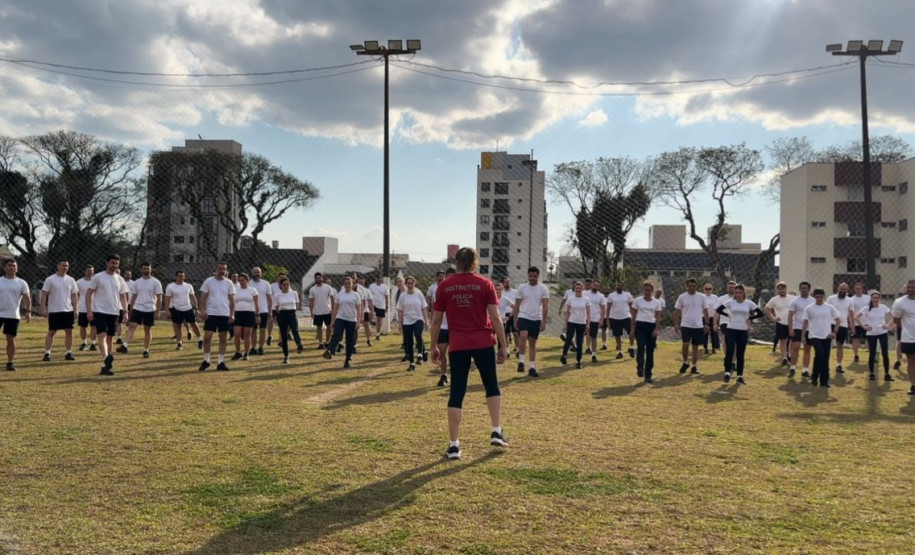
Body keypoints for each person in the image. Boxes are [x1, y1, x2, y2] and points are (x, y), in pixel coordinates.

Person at [430, 247, 508, 460]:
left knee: (457, 391)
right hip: (483, 342)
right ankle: (496, 430)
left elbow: (436, 320)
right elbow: (495, 316)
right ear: (475, 262)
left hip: (458, 344)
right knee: (491, 385)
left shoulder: (445, 285)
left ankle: (454, 445)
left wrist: (433, 346)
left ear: (456, 262)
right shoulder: (485, 283)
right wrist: (503, 345)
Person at [85, 254, 129, 376]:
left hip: (114, 311)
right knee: (102, 335)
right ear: (107, 263)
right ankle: (106, 358)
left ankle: (107, 365)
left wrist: (126, 312)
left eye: (117, 263)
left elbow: (123, 297)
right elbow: (88, 294)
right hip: (100, 311)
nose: (114, 265)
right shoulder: (98, 277)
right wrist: (89, 311)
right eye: (112, 263)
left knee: (110, 337)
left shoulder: (120, 279)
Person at [716, 284, 764, 384]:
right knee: (729, 352)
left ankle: (740, 376)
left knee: (740, 354)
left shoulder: (748, 303)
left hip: (742, 330)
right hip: (731, 329)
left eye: (740, 293)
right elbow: (718, 309)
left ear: (743, 293)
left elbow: (760, 313)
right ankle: (727, 373)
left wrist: (750, 318)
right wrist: (726, 314)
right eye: (736, 293)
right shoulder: (730, 302)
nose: (738, 294)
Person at [118, 262, 163, 358]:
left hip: (150, 309)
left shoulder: (156, 282)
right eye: (144, 269)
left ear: (151, 269)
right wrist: (130, 311)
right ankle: (124, 346)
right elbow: (133, 297)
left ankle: (146, 350)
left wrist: (157, 311)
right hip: (137, 308)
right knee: (132, 326)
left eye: (147, 268)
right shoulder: (137, 282)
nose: (146, 270)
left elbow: (159, 298)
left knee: (147, 330)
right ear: (141, 270)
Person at [511, 266, 550, 377]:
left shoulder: (543, 289)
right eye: (531, 276)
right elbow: (517, 304)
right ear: (528, 276)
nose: (532, 278)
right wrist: (515, 319)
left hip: (536, 318)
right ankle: (521, 362)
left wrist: (544, 322)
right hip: (523, 316)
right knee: (523, 336)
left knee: (532, 343)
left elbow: (545, 306)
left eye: (535, 276)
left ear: (538, 276)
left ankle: (532, 368)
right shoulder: (522, 287)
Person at [198, 262, 236, 372]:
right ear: (216, 269)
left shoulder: (229, 283)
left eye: (224, 269)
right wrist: (203, 310)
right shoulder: (208, 281)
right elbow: (203, 297)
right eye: (220, 269)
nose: (222, 271)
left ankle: (220, 362)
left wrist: (232, 314)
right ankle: (206, 360)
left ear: (226, 270)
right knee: (207, 337)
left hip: (224, 314)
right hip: (211, 313)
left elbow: (232, 300)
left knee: (223, 338)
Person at [40, 260, 79, 362]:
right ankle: (47, 353)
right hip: (54, 310)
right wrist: (43, 307)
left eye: (67, 266)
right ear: (58, 266)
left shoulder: (71, 280)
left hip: (68, 310)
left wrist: (76, 309)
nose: (65, 267)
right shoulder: (50, 279)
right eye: (63, 265)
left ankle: (68, 352)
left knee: (69, 332)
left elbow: (74, 295)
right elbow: (44, 294)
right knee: (51, 332)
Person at [802, 288, 841, 388]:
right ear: (814, 297)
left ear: (824, 296)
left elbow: (838, 319)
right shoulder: (809, 308)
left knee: (825, 357)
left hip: (827, 335)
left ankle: (823, 380)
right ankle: (815, 377)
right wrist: (803, 336)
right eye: (817, 297)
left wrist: (834, 331)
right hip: (814, 335)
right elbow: (805, 322)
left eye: (821, 297)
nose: (819, 298)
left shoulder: (830, 307)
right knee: (820, 354)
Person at [0, 259, 31, 371]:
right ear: (4, 268)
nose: (12, 267)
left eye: (14, 266)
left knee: (10, 338)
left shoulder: (22, 283)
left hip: (13, 315)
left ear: (17, 268)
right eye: (9, 265)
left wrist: (28, 311)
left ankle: (10, 362)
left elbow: (27, 298)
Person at [856, 290, 894, 382]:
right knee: (872, 353)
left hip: (882, 332)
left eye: (877, 298)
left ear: (880, 299)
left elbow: (893, 316)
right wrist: (864, 326)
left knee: (885, 353)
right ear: (871, 299)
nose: (875, 299)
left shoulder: (883, 307)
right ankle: (872, 373)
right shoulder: (866, 308)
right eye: (874, 298)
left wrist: (888, 325)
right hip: (871, 333)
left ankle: (887, 374)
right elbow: (856, 317)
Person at [323, 276, 360, 369]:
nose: (347, 285)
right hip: (341, 317)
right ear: (343, 285)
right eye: (346, 283)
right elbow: (335, 309)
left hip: (351, 319)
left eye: (349, 283)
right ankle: (329, 350)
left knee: (350, 340)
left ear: (352, 285)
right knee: (337, 334)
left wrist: (358, 321)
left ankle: (347, 360)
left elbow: (359, 309)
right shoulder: (339, 294)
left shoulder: (356, 295)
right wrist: (332, 321)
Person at [673, 278, 708, 375]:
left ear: (696, 286)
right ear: (687, 286)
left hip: (698, 325)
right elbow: (677, 311)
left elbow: (705, 311)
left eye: (693, 286)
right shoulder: (682, 297)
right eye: (690, 286)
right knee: (685, 343)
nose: (691, 288)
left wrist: (706, 323)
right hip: (686, 324)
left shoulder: (701, 297)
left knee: (695, 346)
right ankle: (685, 362)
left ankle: (694, 366)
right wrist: (676, 324)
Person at [630, 281, 662, 383]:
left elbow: (658, 317)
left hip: (651, 326)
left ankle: (648, 374)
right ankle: (640, 367)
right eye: (645, 290)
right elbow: (633, 314)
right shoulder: (638, 300)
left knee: (650, 351)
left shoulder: (656, 302)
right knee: (641, 347)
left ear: (652, 291)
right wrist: (633, 328)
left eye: (649, 290)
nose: (647, 292)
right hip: (640, 326)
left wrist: (656, 329)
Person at [396, 275, 428, 372]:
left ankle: (420, 353)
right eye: (408, 283)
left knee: (418, 334)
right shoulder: (403, 296)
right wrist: (400, 323)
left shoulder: (419, 294)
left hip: (418, 318)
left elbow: (423, 308)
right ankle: (412, 363)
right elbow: (400, 310)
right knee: (408, 341)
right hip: (407, 320)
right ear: (406, 284)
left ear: (414, 283)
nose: (410, 285)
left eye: (411, 283)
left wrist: (426, 321)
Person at [164, 270, 201, 351]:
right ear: (176, 277)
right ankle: (179, 343)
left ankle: (200, 340)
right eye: (180, 276)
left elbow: (193, 297)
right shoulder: (170, 286)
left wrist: (196, 308)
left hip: (188, 308)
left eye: (183, 276)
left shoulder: (188, 286)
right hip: (176, 309)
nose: (182, 278)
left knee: (194, 324)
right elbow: (167, 299)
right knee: (178, 326)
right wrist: (167, 310)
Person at [559, 281, 590, 369]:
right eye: (576, 288)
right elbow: (567, 312)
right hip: (572, 321)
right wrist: (565, 324)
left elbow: (588, 313)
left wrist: (588, 324)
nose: (578, 290)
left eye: (580, 288)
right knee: (568, 339)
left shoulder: (586, 299)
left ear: (582, 289)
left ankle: (579, 361)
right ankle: (564, 356)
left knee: (579, 343)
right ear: (574, 289)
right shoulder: (571, 299)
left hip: (581, 323)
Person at [892, 280, 915, 395]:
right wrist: (905, 328)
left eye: (913, 287)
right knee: (911, 360)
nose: (910, 289)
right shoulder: (899, 302)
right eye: (908, 287)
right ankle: (913, 385)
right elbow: (896, 319)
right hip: (908, 337)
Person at [787, 281, 815, 378]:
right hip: (797, 327)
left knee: (807, 349)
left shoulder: (813, 301)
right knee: (796, 347)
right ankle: (792, 368)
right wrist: (791, 329)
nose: (804, 290)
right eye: (802, 288)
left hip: (809, 329)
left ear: (809, 289)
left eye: (806, 288)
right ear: (800, 289)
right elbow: (790, 316)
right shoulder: (795, 301)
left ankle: (805, 370)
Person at [764, 282, 796, 366]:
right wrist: (773, 318)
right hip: (781, 322)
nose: (782, 290)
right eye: (780, 289)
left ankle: (789, 354)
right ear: (777, 290)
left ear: (786, 289)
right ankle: (784, 357)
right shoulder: (774, 299)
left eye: (783, 289)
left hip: (792, 323)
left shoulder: (793, 298)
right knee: (782, 340)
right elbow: (766, 309)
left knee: (792, 340)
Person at [434, 268, 457, 386]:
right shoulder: (440, 290)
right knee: (442, 351)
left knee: (455, 353)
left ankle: (456, 375)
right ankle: (443, 375)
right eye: (448, 277)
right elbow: (436, 309)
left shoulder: (459, 291)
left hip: (455, 327)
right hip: (443, 326)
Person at [826, 282, 854, 374]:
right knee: (827, 345)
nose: (843, 291)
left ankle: (838, 365)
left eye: (845, 289)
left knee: (840, 345)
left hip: (843, 325)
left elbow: (851, 314)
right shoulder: (830, 298)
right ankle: (826, 364)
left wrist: (852, 327)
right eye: (841, 289)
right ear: (838, 289)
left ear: (848, 290)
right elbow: (826, 311)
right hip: (830, 323)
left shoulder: (850, 300)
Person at [231, 273, 259, 361]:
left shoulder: (253, 290)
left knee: (247, 335)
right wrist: (231, 314)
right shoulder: (235, 290)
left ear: (247, 280)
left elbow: (256, 304)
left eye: (243, 280)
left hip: (249, 314)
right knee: (237, 334)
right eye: (239, 280)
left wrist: (257, 315)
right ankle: (238, 352)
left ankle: (246, 353)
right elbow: (232, 303)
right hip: (238, 314)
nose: (241, 282)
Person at [273, 277, 302, 364]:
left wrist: (294, 311)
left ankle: (299, 344)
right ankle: (286, 356)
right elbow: (276, 306)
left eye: (287, 284)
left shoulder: (294, 293)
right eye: (284, 285)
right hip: (282, 314)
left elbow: (297, 304)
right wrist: (279, 314)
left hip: (292, 313)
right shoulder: (278, 295)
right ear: (281, 286)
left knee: (295, 330)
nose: (286, 286)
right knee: (284, 335)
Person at [606, 282, 635, 360]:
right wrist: (608, 319)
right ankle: (620, 352)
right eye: (618, 285)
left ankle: (631, 347)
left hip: (626, 317)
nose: (619, 286)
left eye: (621, 285)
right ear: (616, 286)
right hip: (615, 318)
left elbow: (631, 307)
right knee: (617, 336)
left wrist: (634, 317)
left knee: (631, 333)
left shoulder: (627, 295)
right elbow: (608, 308)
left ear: (624, 286)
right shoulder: (611, 295)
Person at [249, 267, 272, 356]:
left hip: (264, 310)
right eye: (255, 272)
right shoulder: (249, 283)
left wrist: (270, 310)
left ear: (261, 273)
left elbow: (269, 298)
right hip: (252, 310)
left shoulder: (266, 284)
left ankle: (261, 348)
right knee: (253, 330)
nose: (256, 274)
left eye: (258, 272)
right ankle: (253, 348)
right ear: (252, 273)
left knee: (262, 330)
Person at [309, 272, 335, 349]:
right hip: (317, 312)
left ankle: (327, 342)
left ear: (322, 278)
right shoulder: (312, 289)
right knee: (319, 328)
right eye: (316, 278)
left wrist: (333, 308)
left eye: (319, 277)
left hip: (327, 311)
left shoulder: (328, 287)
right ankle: (320, 343)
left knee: (329, 327)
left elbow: (332, 298)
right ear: (315, 279)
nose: (318, 279)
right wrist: (311, 312)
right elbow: (311, 301)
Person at [713, 281, 736, 366]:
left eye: (733, 287)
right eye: (730, 287)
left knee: (735, 342)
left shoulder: (740, 298)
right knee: (726, 340)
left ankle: (733, 361)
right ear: (727, 288)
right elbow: (716, 311)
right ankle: (728, 358)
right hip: (725, 322)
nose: (731, 289)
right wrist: (715, 323)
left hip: (737, 323)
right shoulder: (721, 299)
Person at [584, 278, 607, 362]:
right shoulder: (585, 294)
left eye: (597, 286)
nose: (595, 287)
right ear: (591, 285)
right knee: (587, 334)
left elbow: (603, 309)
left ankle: (594, 354)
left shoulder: (601, 296)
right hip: (585, 318)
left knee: (594, 337)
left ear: (599, 287)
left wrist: (601, 320)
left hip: (595, 319)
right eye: (594, 285)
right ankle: (587, 347)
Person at [76, 265, 98, 351]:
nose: (90, 272)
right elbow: (76, 295)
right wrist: (76, 307)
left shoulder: (96, 281)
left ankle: (93, 343)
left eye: (92, 270)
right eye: (88, 270)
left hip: (95, 307)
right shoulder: (79, 282)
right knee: (83, 326)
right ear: (84, 271)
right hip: (82, 308)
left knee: (94, 326)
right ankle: (84, 343)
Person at [849, 282, 870, 363]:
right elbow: (850, 312)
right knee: (855, 339)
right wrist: (851, 324)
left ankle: (871, 356)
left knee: (869, 339)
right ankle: (856, 355)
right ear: (854, 289)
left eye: (859, 288)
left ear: (862, 289)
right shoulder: (851, 299)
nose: (858, 290)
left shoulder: (868, 298)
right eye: (856, 288)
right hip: (856, 323)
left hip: (867, 322)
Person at [266, 272, 287, 346]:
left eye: (283, 277)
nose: (282, 278)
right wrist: (268, 306)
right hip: (273, 307)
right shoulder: (272, 286)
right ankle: (269, 336)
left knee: (282, 324)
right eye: (280, 277)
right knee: (270, 321)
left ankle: (280, 340)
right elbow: (268, 296)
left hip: (282, 308)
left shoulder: (287, 286)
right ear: (277, 278)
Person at [501, 277, 519, 349]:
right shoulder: (501, 293)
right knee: (506, 333)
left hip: (513, 314)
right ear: (502, 283)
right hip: (504, 315)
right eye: (505, 282)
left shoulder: (515, 292)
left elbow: (517, 303)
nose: (507, 283)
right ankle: (507, 349)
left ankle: (517, 348)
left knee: (515, 332)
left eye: (508, 282)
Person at [355, 275, 374, 348]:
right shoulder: (354, 289)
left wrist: (372, 310)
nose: (360, 283)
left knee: (366, 324)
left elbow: (370, 300)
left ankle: (368, 339)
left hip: (365, 309)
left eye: (362, 282)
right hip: (356, 310)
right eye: (359, 282)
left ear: (364, 281)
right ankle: (355, 341)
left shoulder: (366, 290)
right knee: (356, 326)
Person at [369, 274, 389, 341]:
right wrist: (369, 305)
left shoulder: (385, 287)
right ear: (375, 279)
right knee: (370, 318)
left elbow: (387, 297)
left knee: (379, 320)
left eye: (379, 278)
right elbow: (369, 296)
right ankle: (369, 330)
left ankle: (378, 334)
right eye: (377, 278)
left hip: (381, 305)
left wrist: (386, 306)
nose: (378, 279)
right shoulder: (371, 286)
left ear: (381, 279)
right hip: (373, 305)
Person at [702, 284, 720, 355]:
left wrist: (718, 319)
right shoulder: (702, 297)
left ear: (712, 290)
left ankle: (713, 348)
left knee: (713, 333)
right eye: (706, 289)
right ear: (704, 290)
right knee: (705, 333)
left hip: (713, 317)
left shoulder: (715, 297)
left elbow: (718, 307)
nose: (708, 290)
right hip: (704, 317)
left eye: (709, 289)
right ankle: (705, 348)